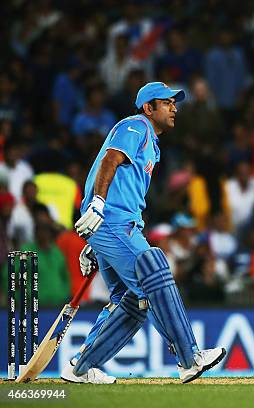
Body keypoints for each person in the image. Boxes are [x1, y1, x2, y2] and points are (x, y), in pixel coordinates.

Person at [61, 82, 226, 384]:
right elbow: (111, 159)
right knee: (154, 267)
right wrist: (97, 205)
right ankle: (189, 358)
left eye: (174, 102)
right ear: (149, 108)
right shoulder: (136, 125)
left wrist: (97, 243)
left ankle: (80, 367)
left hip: (113, 224)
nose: (174, 107)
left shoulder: (152, 142)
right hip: (111, 218)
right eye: (166, 103)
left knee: (133, 302)